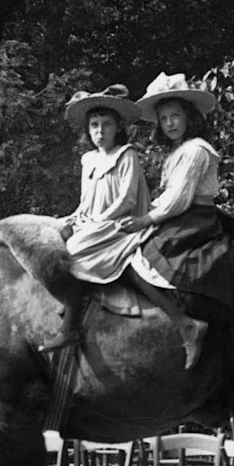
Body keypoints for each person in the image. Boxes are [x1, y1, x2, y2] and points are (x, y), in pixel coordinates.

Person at [116, 71, 234, 369]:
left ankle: (185, 324)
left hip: (194, 222)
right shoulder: (177, 152)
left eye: (175, 116)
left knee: (135, 258)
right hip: (178, 217)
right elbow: (167, 199)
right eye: (164, 119)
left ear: (189, 117)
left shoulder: (196, 150)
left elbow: (178, 199)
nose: (170, 124)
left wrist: (144, 220)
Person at [38, 84, 152, 352]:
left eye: (107, 125)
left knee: (75, 248)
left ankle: (71, 327)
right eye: (94, 125)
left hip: (120, 223)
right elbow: (86, 201)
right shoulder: (88, 159)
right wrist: (73, 218)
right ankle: (67, 298)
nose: (100, 132)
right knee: (53, 235)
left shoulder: (127, 155)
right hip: (94, 220)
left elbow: (128, 200)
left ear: (118, 127)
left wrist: (99, 220)